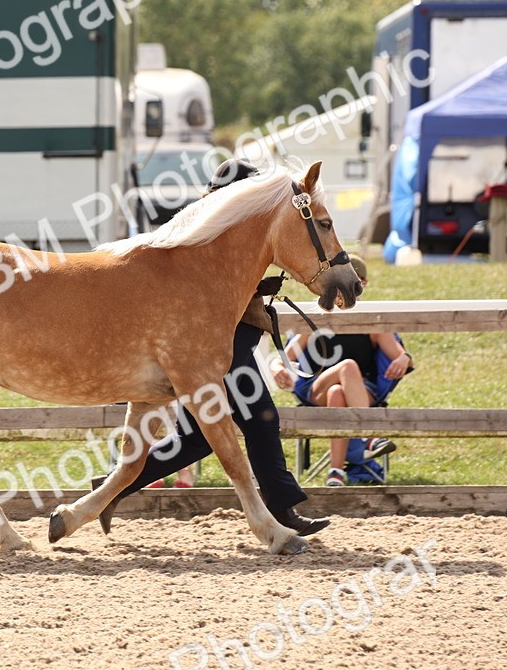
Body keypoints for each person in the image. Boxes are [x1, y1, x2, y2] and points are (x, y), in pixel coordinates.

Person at [91, 158, 330, 537]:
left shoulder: (218, 228)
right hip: (215, 347)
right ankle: (281, 510)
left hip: (220, 344)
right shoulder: (213, 230)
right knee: (258, 420)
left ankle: (109, 490)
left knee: (202, 437)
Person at [269, 254, 411, 487]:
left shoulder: (371, 322)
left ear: (363, 285)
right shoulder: (315, 319)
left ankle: (335, 472)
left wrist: (404, 359)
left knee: (338, 393)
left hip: (361, 390)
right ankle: (366, 438)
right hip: (317, 386)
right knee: (347, 366)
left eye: (354, 283)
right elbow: (285, 356)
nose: (343, 291)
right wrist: (276, 367)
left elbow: (401, 355)